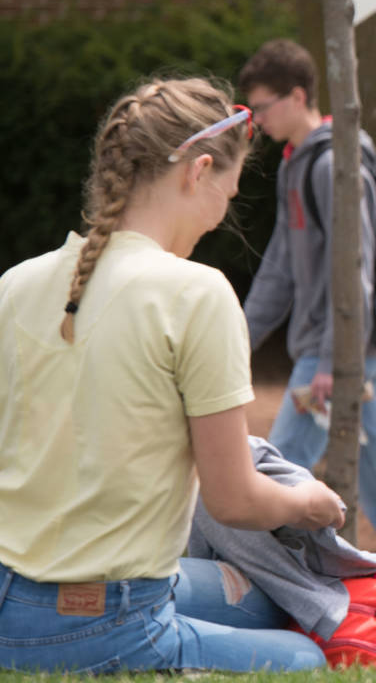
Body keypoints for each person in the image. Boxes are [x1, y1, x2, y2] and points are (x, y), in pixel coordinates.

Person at [0, 77, 345, 672]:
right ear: (197, 170)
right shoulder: (197, 294)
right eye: (227, 195)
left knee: (264, 595)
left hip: (8, 600)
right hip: (112, 621)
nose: (220, 218)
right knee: (305, 657)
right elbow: (233, 500)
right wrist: (307, 502)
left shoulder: (15, 284)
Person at [236, 39, 376, 603]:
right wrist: (233, 336)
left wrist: (337, 361)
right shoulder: (298, 166)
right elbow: (281, 267)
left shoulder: (336, 166)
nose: (256, 120)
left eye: (262, 107)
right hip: (333, 351)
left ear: (298, 95)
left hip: (333, 356)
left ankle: (258, 590)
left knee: (273, 471)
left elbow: (352, 271)